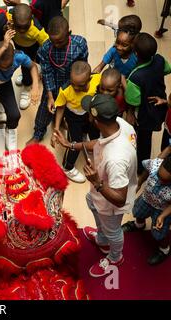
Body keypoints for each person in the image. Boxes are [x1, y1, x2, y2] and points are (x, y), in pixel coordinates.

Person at [53, 94, 137, 278]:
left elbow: (120, 198)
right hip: (100, 191)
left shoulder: (116, 158)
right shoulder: (121, 125)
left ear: (95, 120)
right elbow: (98, 143)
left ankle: (115, 256)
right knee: (90, 202)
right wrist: (71, 144)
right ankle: (102, 239)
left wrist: (96, 182)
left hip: (110, 203)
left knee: (113, 230)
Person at [27, 15, 88, 144]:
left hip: (72, 85)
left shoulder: (80, 44)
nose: (56, 45)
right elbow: (47, 72)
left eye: (60, 41)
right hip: (52, 84)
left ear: (69, 33)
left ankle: (59, 122)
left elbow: (83, 67)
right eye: (52, 41)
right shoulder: (45, 48)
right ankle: (38, 133)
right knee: (45, 110)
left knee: (69, 109)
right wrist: (50, 95)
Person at [125, 33, 171, 174]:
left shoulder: (135, 77)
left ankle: (140, 168)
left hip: (144, 113)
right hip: (161, 106)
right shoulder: (159, 60)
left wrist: (130, 113)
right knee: (157, 134)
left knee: (143, 140)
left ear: (136, 53)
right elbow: (168, 69)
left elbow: (133, 100)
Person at [51, 61, 101, 183]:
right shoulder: (65, 90)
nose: (77, 88)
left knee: (94, 132)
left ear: (89, 79)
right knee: (75, 142)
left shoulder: (97, 79)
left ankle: (88, 141)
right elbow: (61, 107)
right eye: (74, 84)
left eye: (81, 85)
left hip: (89, 113)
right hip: (73, 117)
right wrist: (56, 128)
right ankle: (67, 167)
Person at [122, 148, 171, 265]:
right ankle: (139, 225)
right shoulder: (155, 164)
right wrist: (139, 183)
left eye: (165, 181)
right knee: (138, 212)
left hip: (162, 209)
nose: (160, 181)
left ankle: (164, 250)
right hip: (146, 199)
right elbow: (146, 170)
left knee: (160, 233)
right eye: (159, 176)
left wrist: (162, 216)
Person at [7, 3, 48, 109]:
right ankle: (27, 76)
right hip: (18, 45)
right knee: (23, 63)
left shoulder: (37, 30)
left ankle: (27, 85)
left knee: (27, 64)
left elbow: (47, 45)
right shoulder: (9, 16)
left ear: (31, 19)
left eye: (25, 28)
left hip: (32, 47)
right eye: (18, 27)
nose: (21, 31)